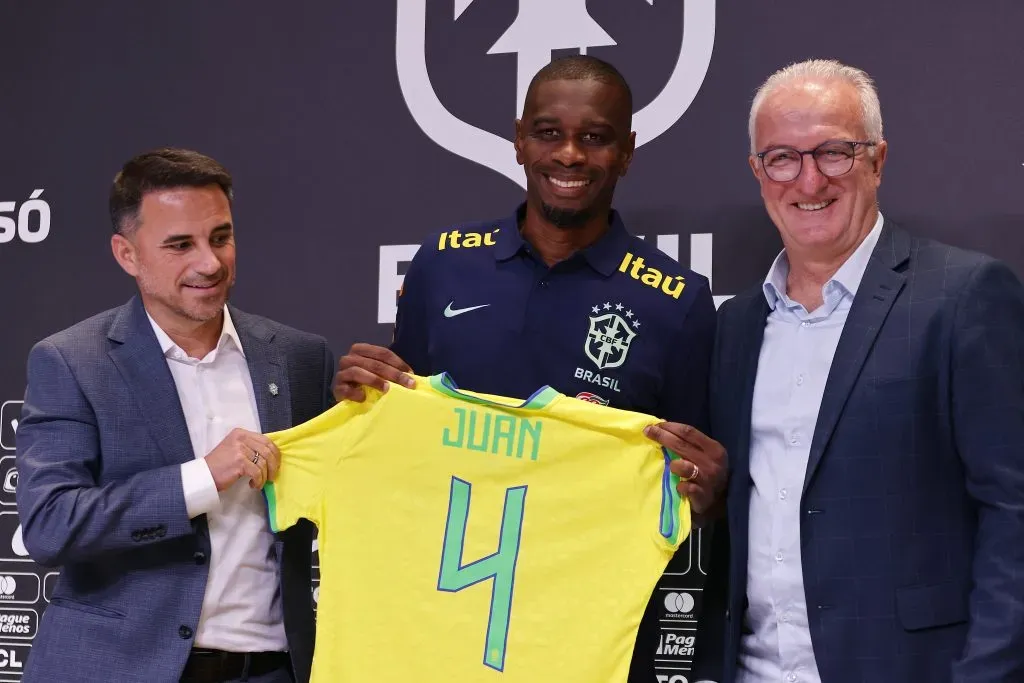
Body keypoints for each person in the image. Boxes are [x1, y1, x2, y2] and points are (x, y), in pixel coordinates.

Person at [334, 55, 728, 681]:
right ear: (519, 140)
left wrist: (707, 493)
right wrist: (360, 400)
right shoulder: (442, 263)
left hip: (583, 634)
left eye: (595, 138)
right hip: (437, 617)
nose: (569, 154)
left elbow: (692, 489)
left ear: (627, 151)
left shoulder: (675, 300)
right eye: (548, 133)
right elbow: (395, 433)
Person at [695, 59, 1024, 683]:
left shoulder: (963, 296)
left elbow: (1013, 510)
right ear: (759, 173)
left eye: (834, 152)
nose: (808, 178)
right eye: (783, 158)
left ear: (876, 159)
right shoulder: (737, 325)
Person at [15, 148, 335, 683]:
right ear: (127, 254)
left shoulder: (301, 357)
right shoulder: (71, 361)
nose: (209, 263)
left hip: (274, 668)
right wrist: (203, 477)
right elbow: (51, 525)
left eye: (220, 237)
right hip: (117, 669)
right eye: (179, 245)